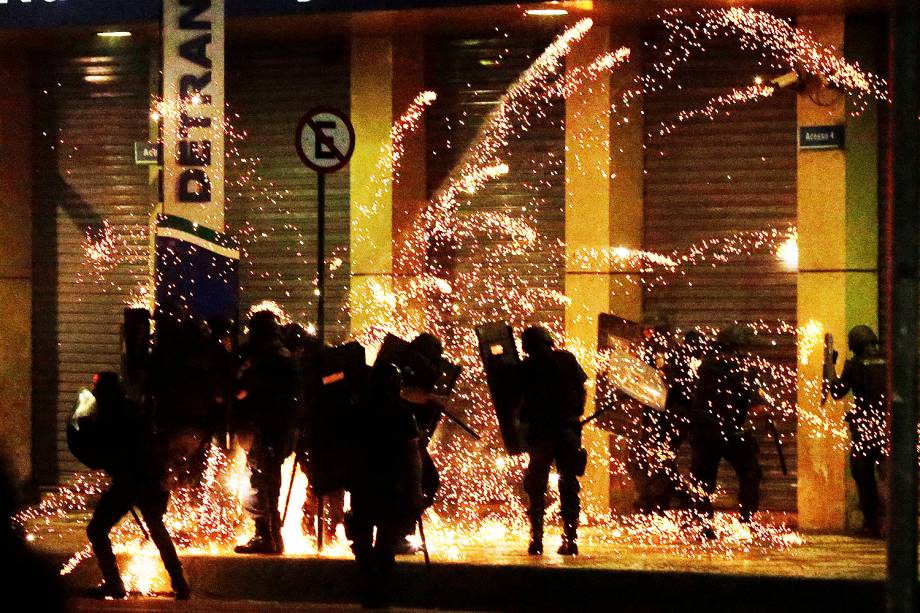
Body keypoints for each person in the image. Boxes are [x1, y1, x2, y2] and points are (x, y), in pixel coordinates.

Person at [85, 372, 189, 600]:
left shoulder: (110, 414)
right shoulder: (133, 408)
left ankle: (114, 585)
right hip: (150, 478)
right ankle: (180, 584)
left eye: (96, 388)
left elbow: (100, 452)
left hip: (131, 480)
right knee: (156, 526)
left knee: (97, 529)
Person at [345, 359, 423, 608]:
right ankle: (381, 592)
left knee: (362, 540)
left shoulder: (358, 408)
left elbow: (347, 449)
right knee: (387, 544)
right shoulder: (402, 411)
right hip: (392, 485)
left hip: (363, 484)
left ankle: (368, 589)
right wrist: (416, 488)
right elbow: (412, 453)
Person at [688, 324, 766, 535]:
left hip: (704, 433)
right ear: (738, 347)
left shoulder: (703, 366)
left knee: (703, 480)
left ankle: (705, 525)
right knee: (750, 472)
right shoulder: (744, 370)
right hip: (730, 432)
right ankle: (747, 522)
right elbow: (758, 407)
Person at [517, 326, 588, 556]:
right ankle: (570, 539)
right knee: (568, 484)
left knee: (536, 487)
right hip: (567, 432)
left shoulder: (527, 367)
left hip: (541, 436)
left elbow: (514, 398)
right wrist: (575, 413)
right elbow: (581, 389)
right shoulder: (567, 359)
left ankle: (536, 539)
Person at [234, 310, 300, 554]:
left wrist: (240, 374)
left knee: (259, 483)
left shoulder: (266, 362)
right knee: (270, 483)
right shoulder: (287, 357)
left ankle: (267, 537)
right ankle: (273, 537)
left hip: (268, 430)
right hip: (285, 430)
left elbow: (241, 393)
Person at [826, 325, 888, 538]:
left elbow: (836, 392)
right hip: (890, 427)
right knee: (892, 476)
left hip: (865, 428)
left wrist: (830, 366)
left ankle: (872, 523)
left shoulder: (854, 366)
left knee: (863, 475)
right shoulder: (890, 362)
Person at [638, 329, 705, 513]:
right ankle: (664, 499)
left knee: (665, 458)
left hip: (669, 419)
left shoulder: (673, 358)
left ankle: (666, 498)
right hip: (674, 419)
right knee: (665, 458)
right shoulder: (687, 363)